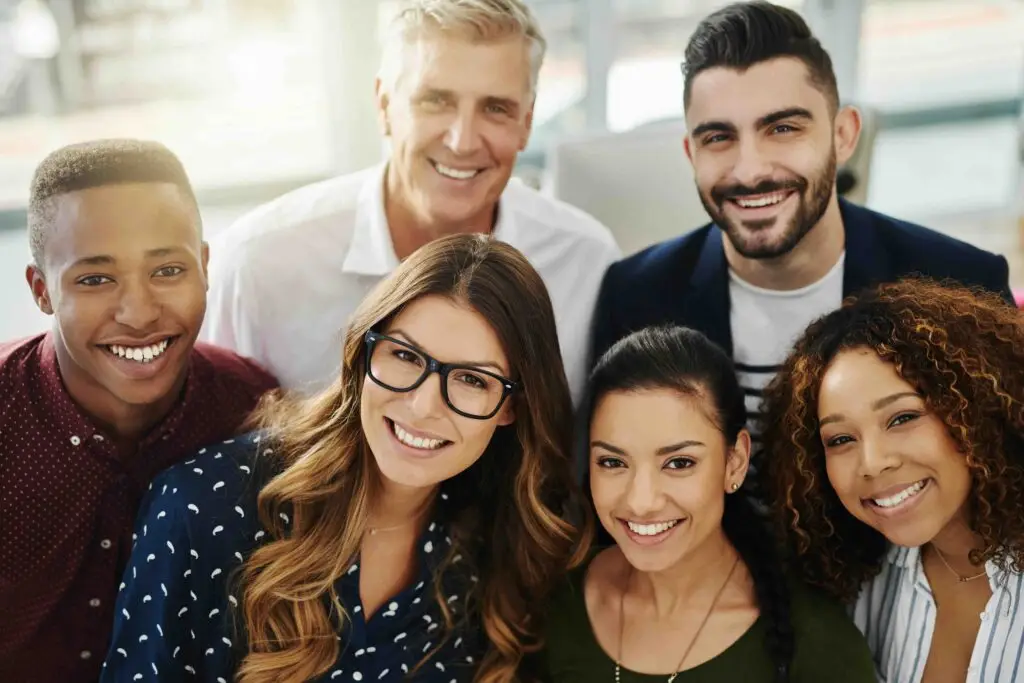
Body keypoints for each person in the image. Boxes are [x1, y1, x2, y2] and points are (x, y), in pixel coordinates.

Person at [102, 234, 590, 683]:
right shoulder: (202, 508)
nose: (422, 406)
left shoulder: (495, 546)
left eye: (471, 380)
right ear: (363, 353)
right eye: (405, 357)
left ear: (510, 407)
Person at [589, 1, 1012, 448]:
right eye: (719, 138)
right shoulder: (634, 298)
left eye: (783, 128)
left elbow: (1004, 479)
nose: (750, 171)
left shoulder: (962, 286)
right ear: (691, 154)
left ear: (844, 135)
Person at [201, 0, 619, 403]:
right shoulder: (258, 265)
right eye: (435, 101)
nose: (462, 141)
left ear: (526, 123)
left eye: (496, 108)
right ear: (384, 105)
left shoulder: (584, 262)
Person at [0, 139, 278, 683]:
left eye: (168, 270)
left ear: (203, 265)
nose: (139, 313)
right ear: (41, 290)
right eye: (96, 279)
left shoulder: (254, 410)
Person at [537, 326, 875, 682]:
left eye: (679, 463)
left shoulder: (817, 644)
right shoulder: (555, 603)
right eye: (612, 462)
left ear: (736, 461)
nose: (642, 501)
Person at [762, 277, 1024, 683]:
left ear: (975, 412)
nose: (872, 463)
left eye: (902, 418)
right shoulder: (859, 587)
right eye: (841, 439)